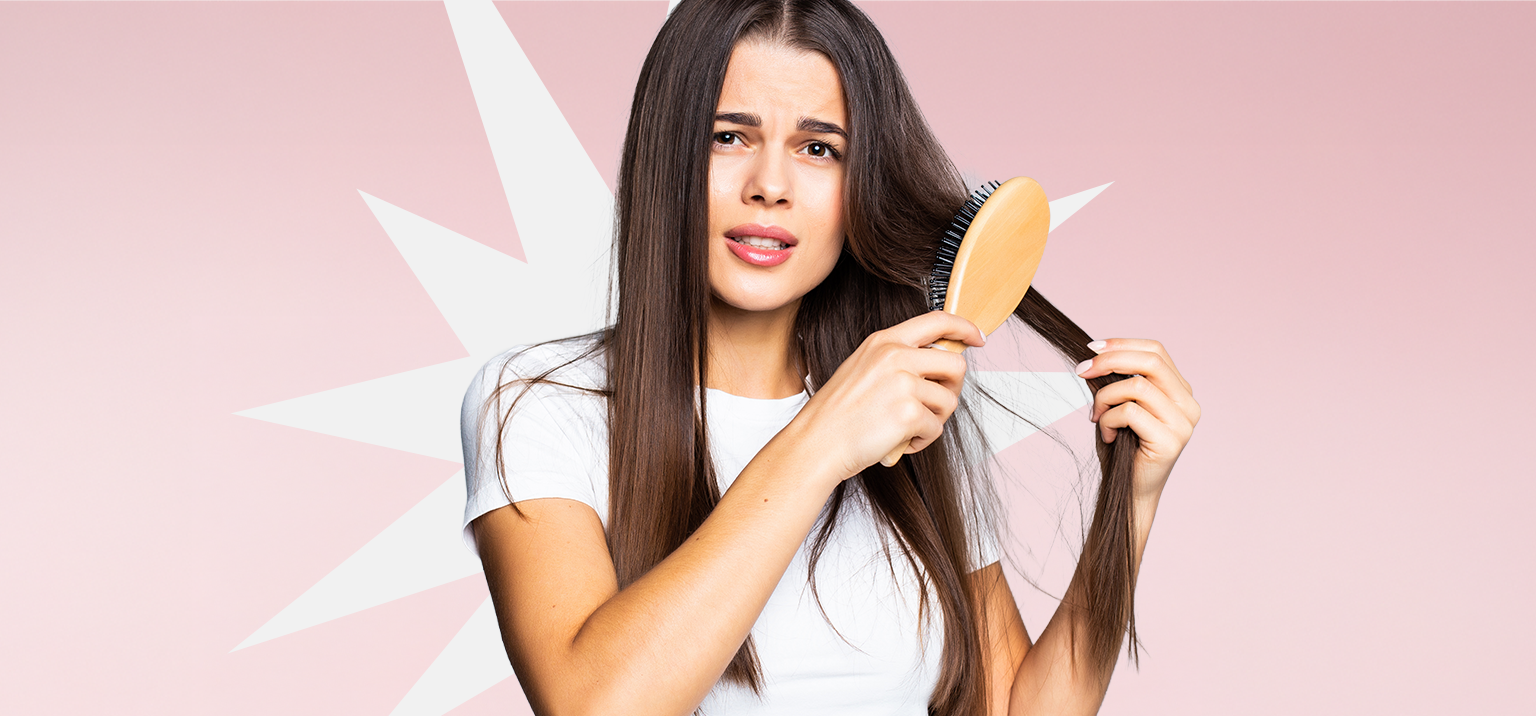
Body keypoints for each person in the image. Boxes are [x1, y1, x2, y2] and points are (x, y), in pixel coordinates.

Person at [459, 1, 1199, 714]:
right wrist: (821, 441)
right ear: (666, 156)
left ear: (862, 185)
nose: (769, 188)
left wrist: (1130, 503)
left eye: (819, 149)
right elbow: (596, 705)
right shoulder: (539, 402)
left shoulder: (909, 410)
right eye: (729, 136)